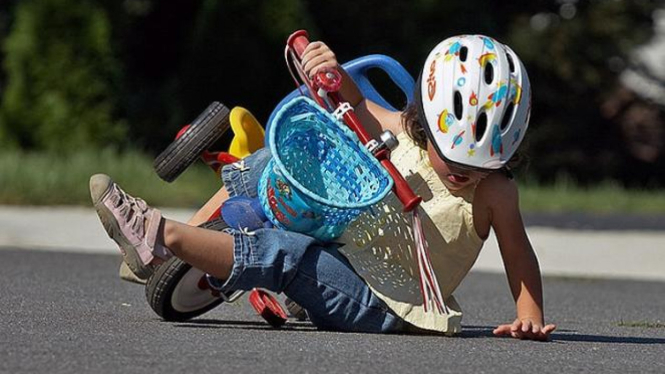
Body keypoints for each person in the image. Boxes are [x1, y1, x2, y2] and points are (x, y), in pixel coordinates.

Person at [90, 34, 556, 340]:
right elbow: (352, 97)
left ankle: (162, 234)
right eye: (451, 158)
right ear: (425, 125)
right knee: (277, 159)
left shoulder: (495, 192)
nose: (463, 174)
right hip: (346, 250)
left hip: (388, 306)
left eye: (477, 167)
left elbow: (518, 252)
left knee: (287, 252)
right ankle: (170, 254)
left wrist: (529, 314)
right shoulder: (399, 130)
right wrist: (328, 66)